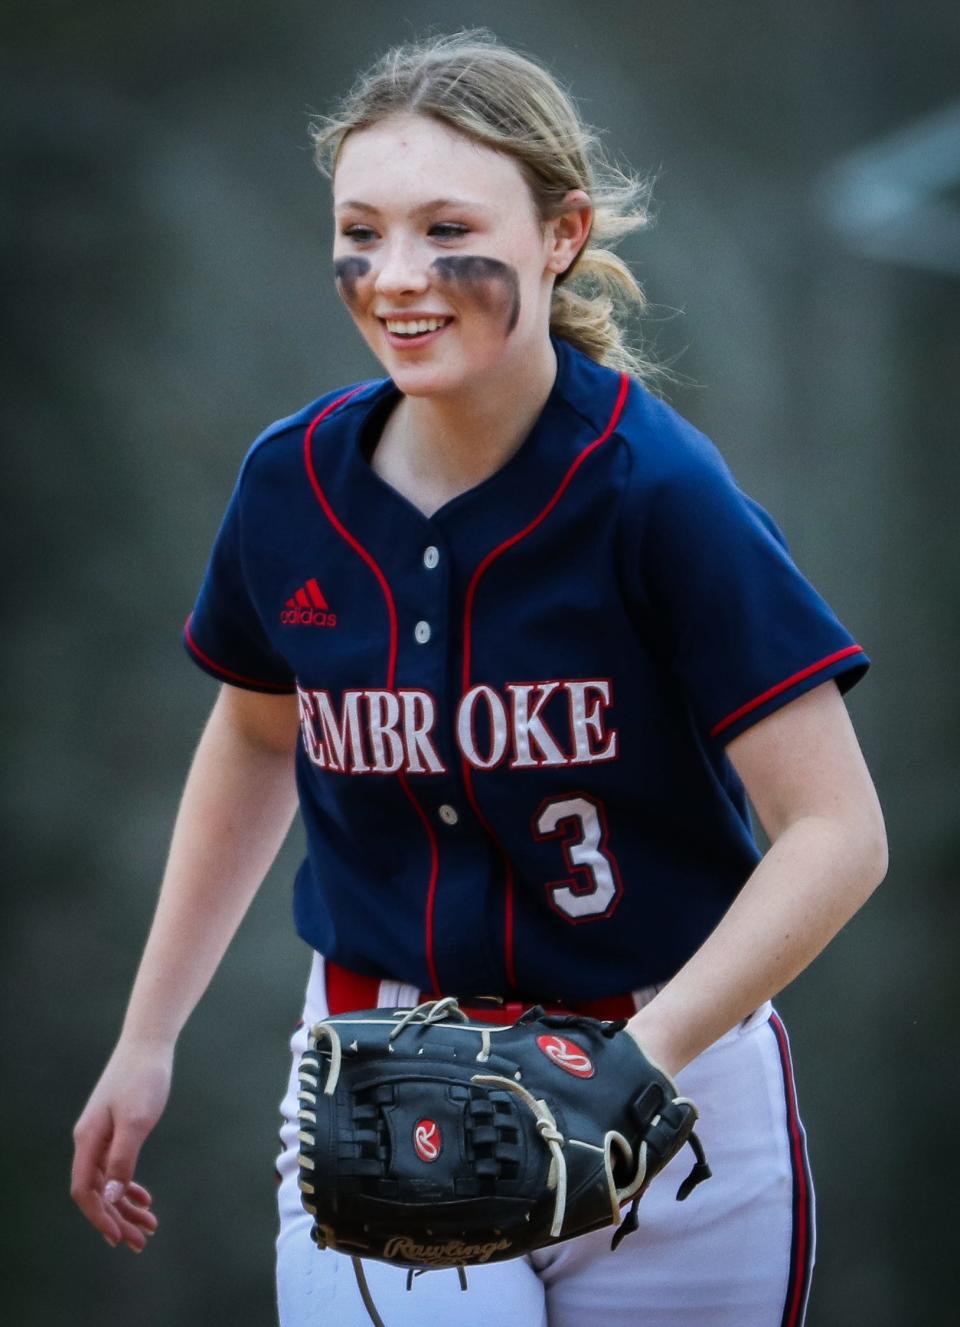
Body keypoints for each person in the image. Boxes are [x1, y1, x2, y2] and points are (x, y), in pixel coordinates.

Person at [71, 30, 888, 1327]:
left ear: (561, 234)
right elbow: (254, 739)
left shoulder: (656, 493)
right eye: (361, 229)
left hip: (676, 1096)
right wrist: (148, 1033)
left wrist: (638, 1068)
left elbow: (838, 833)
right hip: (391, 1082)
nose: (396, 275)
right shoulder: (292, 487)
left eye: (449, 227)